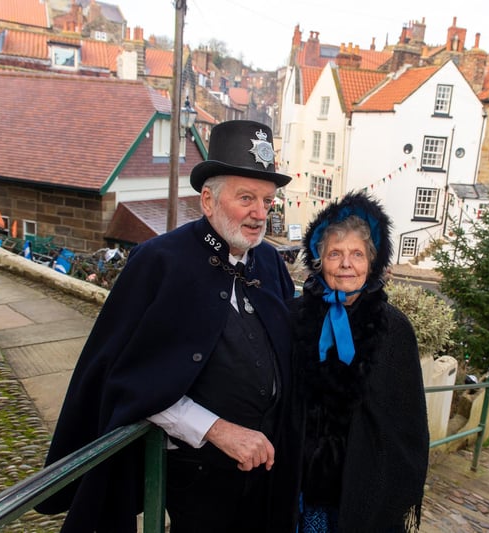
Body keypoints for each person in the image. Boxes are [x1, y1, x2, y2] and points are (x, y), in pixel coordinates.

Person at [36, 120, 297, 532]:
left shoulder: (268, 262)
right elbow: (128, 377)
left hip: (270, 472)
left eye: (268, 200)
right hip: (198, 478)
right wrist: (216, 429)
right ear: (208, 201)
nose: (259, 214)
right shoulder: (158, 262)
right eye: (246, 198)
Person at [282, 191, 429, 532]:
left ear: (372, 262)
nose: (346, 264)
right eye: (335, 253)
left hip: (365, 499)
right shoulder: (293, 319)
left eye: (357, 254)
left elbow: (407, 426)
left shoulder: (395, 330)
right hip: (299, 498)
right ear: (319, 261)